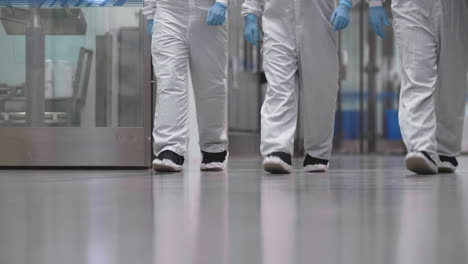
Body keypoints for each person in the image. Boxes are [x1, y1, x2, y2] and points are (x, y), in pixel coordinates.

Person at [242, 0, 390, 173]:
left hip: (319, 25)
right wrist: (250, 16)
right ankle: (277, 149)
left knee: (321, 90)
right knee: (278, 88)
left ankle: (317, 153)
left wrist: (346, 4)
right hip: (277, 25)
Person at [144, 0, 230, 172]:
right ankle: (170, 149)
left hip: (207, 10)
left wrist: (222, 2)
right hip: (168, 11)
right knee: (169, 81)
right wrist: (149, 14)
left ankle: (213, 147)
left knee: (210, 83)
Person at [392, 0, 468, 174]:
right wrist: (374, 4)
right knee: (416, 75)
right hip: (410, 5)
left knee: (452, 79)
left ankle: (445, 150)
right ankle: (421, 147)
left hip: (456, 7)